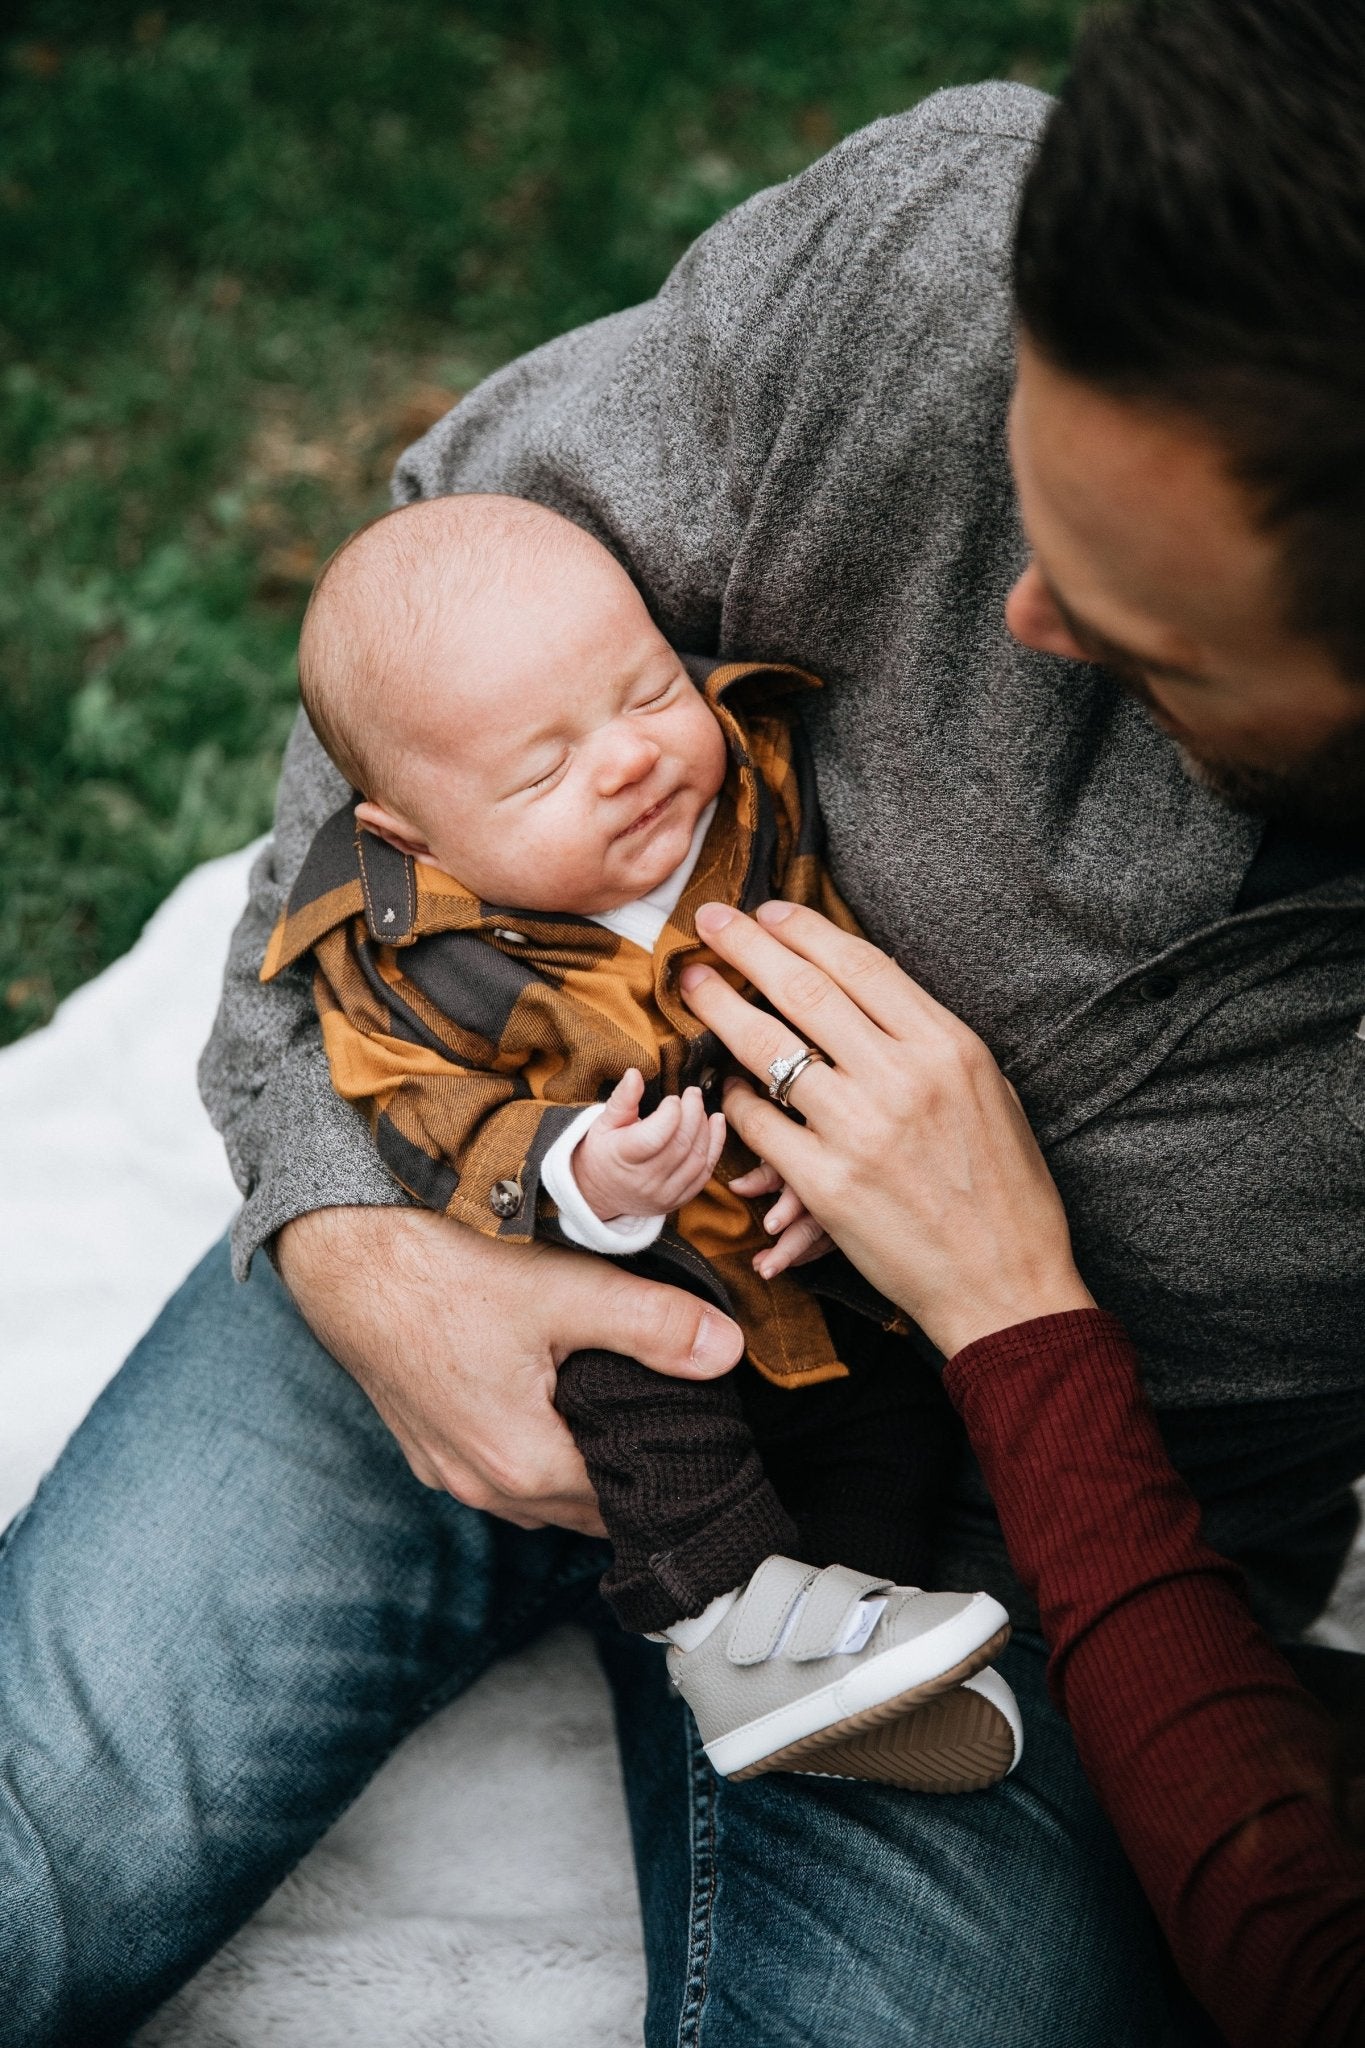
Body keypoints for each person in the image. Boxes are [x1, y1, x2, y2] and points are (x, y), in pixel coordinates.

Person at [2, 3, 1363, 2042]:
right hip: (492, 1210)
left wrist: (1018, 1311)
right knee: (40, 1834)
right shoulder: (931, 266)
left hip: (1010, 1534)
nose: (1023, 621)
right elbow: (419, 649)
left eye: (1136, 622)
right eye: (1023, 501)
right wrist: (343, 1226)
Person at [266, 489, 1018, 1787]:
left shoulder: (757, 796)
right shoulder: (418, 956)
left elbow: (845, 991)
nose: (624, 761)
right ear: (408, 835)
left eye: (648, 691)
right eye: (544, 770)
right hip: (616, 1277)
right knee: (638, 1399)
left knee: (892, 1417)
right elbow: (424, 1117)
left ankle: (847, 1639)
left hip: (805, 1260)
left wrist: (829, 1163)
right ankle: (721, 1619)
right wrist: (580, 1176)